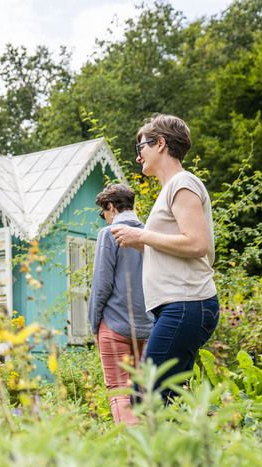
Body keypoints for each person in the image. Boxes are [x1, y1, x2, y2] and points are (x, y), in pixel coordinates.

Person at [111, 114, 219, 401]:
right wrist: (139, 244)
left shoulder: (182, 183)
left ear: (160, 143)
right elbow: (178, 246)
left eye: (140, 148)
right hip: (178, 306)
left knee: (146, 396)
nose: (138, 158)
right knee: (168, 399)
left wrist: (142, 236)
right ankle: (199, 446)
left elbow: (197, 244)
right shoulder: (171, 189)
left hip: (186, 303)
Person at [88, 184, 153, 424]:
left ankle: (129, 452)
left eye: (102, 213)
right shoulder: (150, 233)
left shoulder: (109, 234)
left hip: (114, 326)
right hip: (147, 326)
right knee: (143, 391)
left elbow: (101, 285)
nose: (104, 219)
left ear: (111, 207)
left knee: (119, 391)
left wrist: (94, 325)